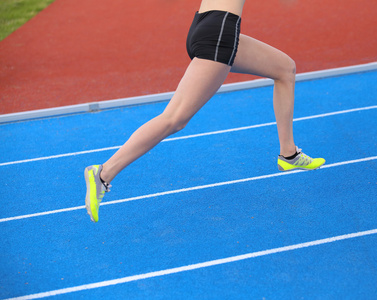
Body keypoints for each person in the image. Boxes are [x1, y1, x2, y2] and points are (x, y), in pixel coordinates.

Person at [84, 0, 325, 223]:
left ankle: (289, 154)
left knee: (285, 68)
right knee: (174, 119)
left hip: (209, 24)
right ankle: (104, 173)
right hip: (219, 32)